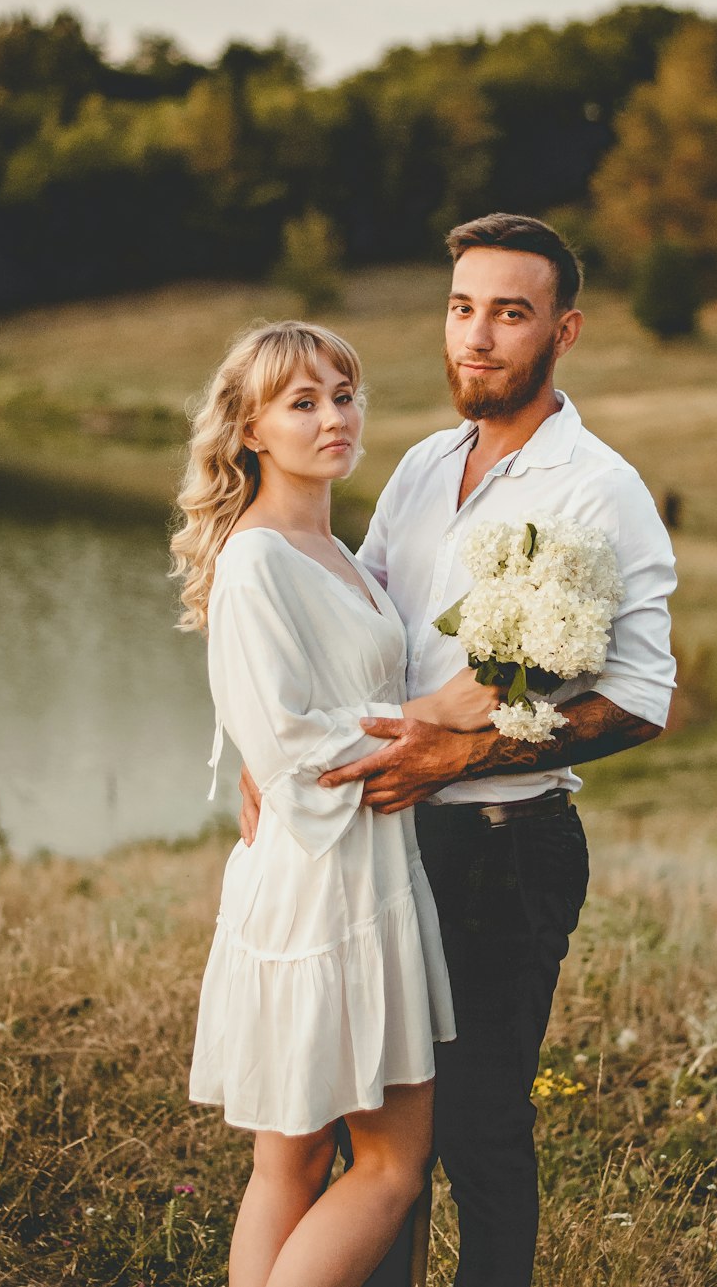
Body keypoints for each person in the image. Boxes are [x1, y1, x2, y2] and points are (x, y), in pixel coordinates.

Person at [239, 214, 677, 1286]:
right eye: (460, 306)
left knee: (476, 1127)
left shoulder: (598, 489)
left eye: (509, 313)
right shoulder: (425, 465)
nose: (475, 336)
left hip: (501, 844)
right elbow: (367, 628)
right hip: (380, 848)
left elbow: (639, 698)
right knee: (377, 1135)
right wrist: (269, 743)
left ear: (561, 331)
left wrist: (455, 756)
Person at [171, 321, 505, 1287]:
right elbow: (287, 747)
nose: (334, 417)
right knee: (392, 1166)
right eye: (303, 402)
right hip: (326, 887)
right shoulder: (257, 560)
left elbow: (295, 720)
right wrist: (429, 712)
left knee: (298, 1158)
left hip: (355, 871)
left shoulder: (341, 556)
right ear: (250, 428)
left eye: (344, 394)